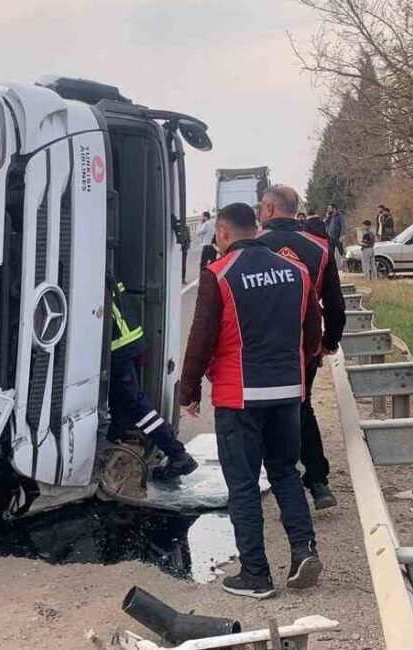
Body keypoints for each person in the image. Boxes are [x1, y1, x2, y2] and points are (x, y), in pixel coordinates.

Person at [179, 203, 323, 599]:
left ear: (223, 233)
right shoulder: (296, 271)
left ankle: (256, 575)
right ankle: (303, 549)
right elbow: (313, 332)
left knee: (242, 485)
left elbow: (201, 338)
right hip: (287, 392)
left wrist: (188, 390)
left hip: (239, 395)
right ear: (256, 230)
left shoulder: (219, 274)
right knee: (285, 471)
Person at [257, 186, 346, 510]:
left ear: (268, 209)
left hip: (257, 346)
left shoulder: (251, 244)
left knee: (262, 413)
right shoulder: (320, 247)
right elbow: (335, 305)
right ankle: (318, 481)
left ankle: (282, 484)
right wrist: (328, 343)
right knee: (300, 407)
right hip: (303, 345)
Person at [108, 278, 198, 481]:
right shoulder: (103, 268)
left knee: (135, 404)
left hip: (120, 347)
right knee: (118, 401)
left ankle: (177, 454)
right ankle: (112, 444)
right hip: (127, 342)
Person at [324, 205, 346, 270]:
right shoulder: (329, 216)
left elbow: (343, 225)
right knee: (331, 253)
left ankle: (345, 265)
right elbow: (324, 224)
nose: (328, 209)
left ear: (334, 209)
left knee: (341, 251)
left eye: (330, 208)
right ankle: (332, 267)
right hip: (330, 237)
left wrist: (342, 235)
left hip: (337, 236)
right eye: (328, 208)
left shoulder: (340, 216)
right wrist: (327, 217)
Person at [176, 217, 192, 283]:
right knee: (183, 264)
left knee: (182, 264)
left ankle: (181, 279)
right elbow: (189, 239)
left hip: (181, 249)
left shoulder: (178, 228)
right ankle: (182, 279)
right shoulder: (186, 228)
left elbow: (188, 239)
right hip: (183, 249)